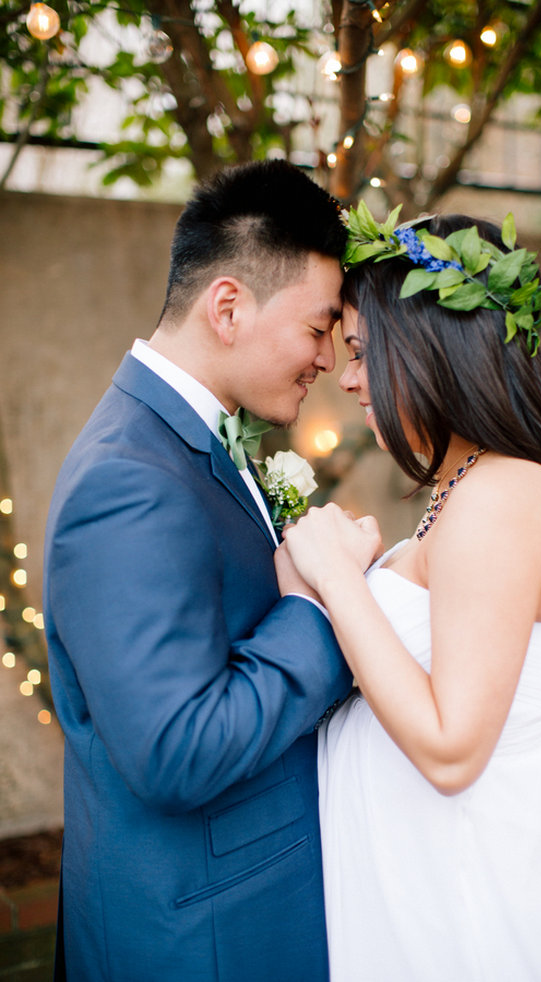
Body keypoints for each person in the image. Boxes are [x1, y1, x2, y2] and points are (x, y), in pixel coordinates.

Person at [279, 206, 541, 981]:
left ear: (430, 349)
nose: (344, 378)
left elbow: (450, 750)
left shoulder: (502, 494)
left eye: (364, 352)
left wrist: (342, 582)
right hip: (429, 881)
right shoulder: (463, 489)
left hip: (479, 896)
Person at [42, 159, 356, 981]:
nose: (325, 357)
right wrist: (322, 612)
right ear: (228, 306)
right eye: (319, 327)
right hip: (200, 937)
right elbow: (175, 749)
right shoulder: (130, 477)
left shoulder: (188, 439)